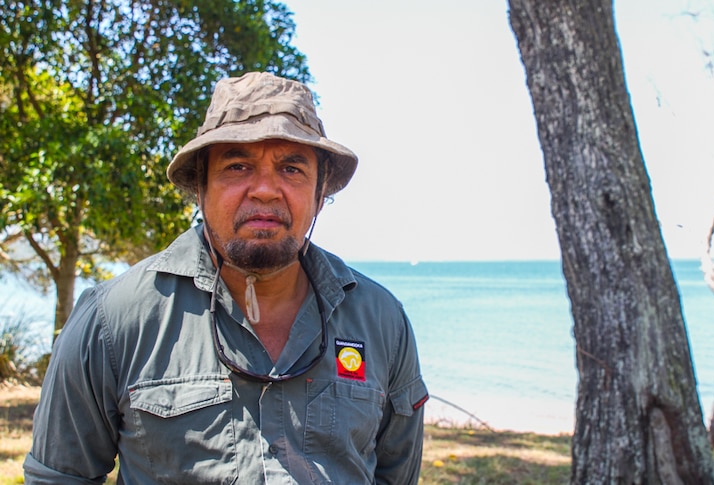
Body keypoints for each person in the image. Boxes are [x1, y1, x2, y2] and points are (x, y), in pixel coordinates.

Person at [24, 72, 428, 484]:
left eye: (291, 168)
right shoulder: (113, 319)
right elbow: (57, 476)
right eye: (238, 166)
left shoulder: (382, 321)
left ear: (321, 192)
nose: (266, 190)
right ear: (200, 186)